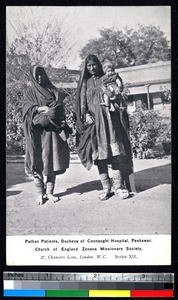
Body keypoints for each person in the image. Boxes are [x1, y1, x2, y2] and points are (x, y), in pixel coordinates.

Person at [75, 54, 133, 200]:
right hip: (95, 124)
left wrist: (114, 96)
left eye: (94, 64)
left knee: (116, 155)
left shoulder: (106, 78)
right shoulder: (85, 83)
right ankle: (106, 187)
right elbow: (82, 105)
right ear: (85, 67)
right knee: (100, 157)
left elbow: (118, 94)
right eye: (89, 66)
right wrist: (85, 116)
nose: (92, 68)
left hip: (110, 122)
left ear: (98, 65)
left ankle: (119, 187)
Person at [23, 65, 70, 205]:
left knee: (51, 160)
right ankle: (39, 193)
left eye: (41, 74)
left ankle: (49, 192)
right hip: (36, 134)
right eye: (36, 75)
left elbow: (60, 108)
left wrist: (53, 113)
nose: (39, 77)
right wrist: (42, 108)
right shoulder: (30, 93)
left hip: (51, 133)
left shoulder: (52, 90)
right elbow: (26, 110)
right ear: (32, 76)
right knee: (36, 161)